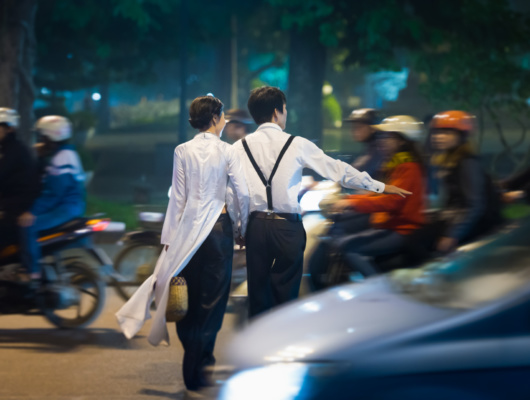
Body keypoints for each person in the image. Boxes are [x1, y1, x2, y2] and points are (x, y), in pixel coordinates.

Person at [231, 86, 411, 318]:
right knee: (285, 296)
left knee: (257, 294)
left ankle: (256, 346)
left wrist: (240, 229)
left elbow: (235, 193)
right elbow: (338, 170)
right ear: (277, 112)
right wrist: (380, 186)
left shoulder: (237, 148)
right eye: (285, 109)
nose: (285, 114)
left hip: (256, 226)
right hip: (287, 227)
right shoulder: (297, 144)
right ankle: (281, 345)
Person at [116, 96, 249, 395]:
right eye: (223, 115)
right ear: (215, 118)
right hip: (218, 230)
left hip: (186, 233)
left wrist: (167, 241)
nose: (225, 119)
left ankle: (194, 364)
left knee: (182, 298)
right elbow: (241, 193)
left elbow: (177, 199)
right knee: (212, 304)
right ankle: (200, 367)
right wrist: (242, 228)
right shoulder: (229, 151)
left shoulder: (182, 150)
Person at [309, 116, 427, 288]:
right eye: (382, 137)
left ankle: (381, 291)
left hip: (402, 230)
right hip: (389, 225)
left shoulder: (408, 167)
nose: (383, 141)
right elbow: (376, 194)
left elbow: (391, 201)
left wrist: (351, 203)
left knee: (349, 248)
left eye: (389, 137)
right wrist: (348, 199)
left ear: (402, 141)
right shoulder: (392, 164)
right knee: (342, 241)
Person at [17, 115, 86, 281]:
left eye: (43, 137)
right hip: (67, 205)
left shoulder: (62, 158)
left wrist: (33, 212)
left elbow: (54, 193)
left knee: (28, 225)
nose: (41, 140)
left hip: (65, 207)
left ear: (52, 136)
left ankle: (31, 271)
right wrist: (41, 157)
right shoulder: (65, 154)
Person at [426, 110, 502, 254]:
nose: (439, 137)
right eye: (437, 133)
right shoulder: (449, 160)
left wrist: (452, 234)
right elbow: (454, 200)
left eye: (447, 133)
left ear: (461, 137)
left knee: (418, 243)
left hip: (477, 222)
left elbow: (474, 205)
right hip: (459, 217)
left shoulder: (467, 163)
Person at [0, 108, 39, 257]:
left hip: (19, 206)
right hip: (11, 203)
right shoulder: (7, 149)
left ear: (9, 128)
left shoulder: (14, 151)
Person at [344, 108, 384, 178]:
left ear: (373, 128)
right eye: (353, 127)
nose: (354, 131)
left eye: (359, 127)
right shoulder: (371, 148)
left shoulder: (380, 150)